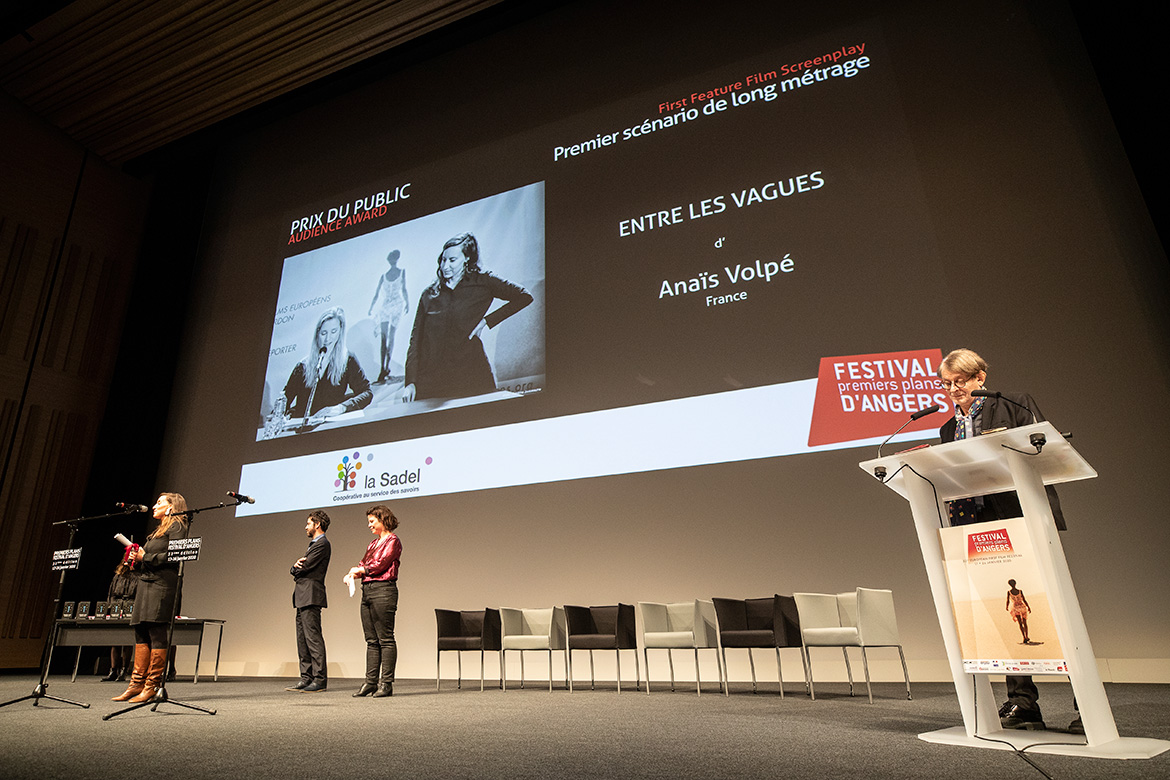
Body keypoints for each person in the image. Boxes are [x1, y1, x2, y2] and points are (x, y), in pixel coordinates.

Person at [937, 348, 1078, 733]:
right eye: (946, 384)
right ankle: (1023, 703)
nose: (953, 389)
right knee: (1006, 618)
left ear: (980, 377)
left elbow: (1041, 449)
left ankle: (1085, 704)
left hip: (1021, 516)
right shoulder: (947, 430)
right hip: (979, 529)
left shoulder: (1012, 403)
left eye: (960, 381)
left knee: (1055, 609)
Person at [402, 233, 533, 402]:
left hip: (471, 376)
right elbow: (415, 341)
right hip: (431, 382)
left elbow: (524, 296)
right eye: (443, 259)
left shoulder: (483, 281)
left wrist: (487, 321)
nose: (445, 266)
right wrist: (410, 382)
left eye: (452, 260)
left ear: (467, 258)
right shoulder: (429, 294)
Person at [113, 493, 188, 702]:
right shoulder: (158, 530)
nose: (154, 506)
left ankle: (152, 685)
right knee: (140, 631)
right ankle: (136, 684)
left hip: (162, 585)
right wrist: (135, 558)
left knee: (156, 631)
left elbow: (175, 556)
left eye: (160, 503)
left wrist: (145, 556)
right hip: (146, 583)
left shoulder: (178, 526)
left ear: (172, 507)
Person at [345, 505, 402, 698]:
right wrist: (353, 573)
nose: (369, 525)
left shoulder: (393, 541)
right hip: (367, 591)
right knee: (371, 640)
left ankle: (386, 684)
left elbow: (381, 564)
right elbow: (364, 563)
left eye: (372, 521)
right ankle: (370, 682)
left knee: (385, 638)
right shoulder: (372, 544)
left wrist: (361, 570)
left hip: (384, 590)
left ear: (382, 520)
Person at [283, 307, 373, 425]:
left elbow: (366, 393)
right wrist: (280, 416)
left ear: (340, 332)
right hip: (302, 428)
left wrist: (342, 408)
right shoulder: (302, 366)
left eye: (334, 332)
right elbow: (285, 400)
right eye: (323, 333)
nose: (328, 338)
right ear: (317, 334)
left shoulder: (348, 359)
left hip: (330, 427)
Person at [287, 510, 331, 692]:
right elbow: (298, 567)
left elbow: (304, 567)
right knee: (302, 639)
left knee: (312, 638)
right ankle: (306, 677)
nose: (306, 527)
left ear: (317, 524)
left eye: (308, 523)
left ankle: (320, 679)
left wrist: (294, 568)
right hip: (302, 596)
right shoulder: (313, 544)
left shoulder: (322, 544)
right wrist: (295, 566)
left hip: (311, 595)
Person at [368, 249, 409, 384]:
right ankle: (383, 369)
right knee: (384, 339)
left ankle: (386, 367)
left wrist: (407, 302)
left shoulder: (402, 272)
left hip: (397, 306)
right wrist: (371, 308)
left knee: (391, 337)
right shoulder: (383, 276)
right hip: (386, 308)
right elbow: (376, 293)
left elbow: (404, 289)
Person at [101, 555, 139, 681]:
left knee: (127, 641)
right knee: (115, 641)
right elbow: (111, 593)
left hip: (131, 607)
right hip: (116, 607)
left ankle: (124, 670)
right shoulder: (118, 576)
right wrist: (111, 607)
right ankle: (113, 670)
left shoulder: (139, 576)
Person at [1006, 579, 1032, 645]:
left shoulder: (1009, 592)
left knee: (1020, 623)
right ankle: (1027, 636)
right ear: (1015, 583)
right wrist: (1028, 607)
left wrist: (1006, 606)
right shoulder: (1020, 591)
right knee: (1025, 622)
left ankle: (1024, 637)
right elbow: (1024, 599)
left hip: (1015, 608)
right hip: (1022, 606)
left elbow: (1008, 600)